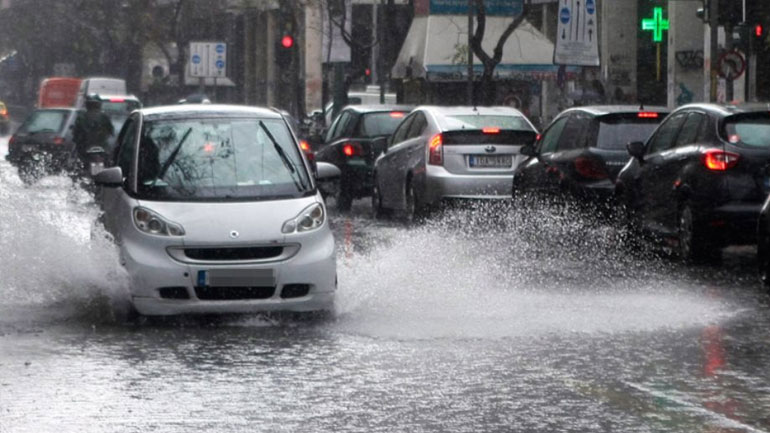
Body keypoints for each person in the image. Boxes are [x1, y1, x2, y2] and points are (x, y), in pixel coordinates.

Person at [72, 93, 114, 180]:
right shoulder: (104, 116)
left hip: (85, 148)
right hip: (101, 147)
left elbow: (76, 133)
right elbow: (111, 131)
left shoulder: (81, 117)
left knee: (76, 164)